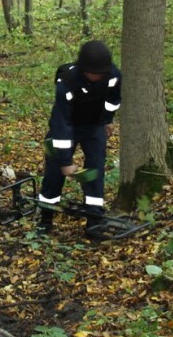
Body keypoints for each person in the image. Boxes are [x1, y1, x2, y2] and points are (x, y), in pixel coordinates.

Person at [38, 40, 122, 241]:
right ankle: (45, 218)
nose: (99, 77)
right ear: (84, 69)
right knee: (53, 171)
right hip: (64, 128)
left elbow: (113, 100)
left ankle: (93, 220)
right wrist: (66, 162)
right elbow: (61, 125)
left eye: (102, 73)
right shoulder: (66, 82)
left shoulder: (114, 75)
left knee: (95, 170)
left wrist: (107, 120)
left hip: (93, 127)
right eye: (95, 73)